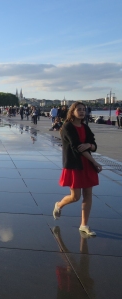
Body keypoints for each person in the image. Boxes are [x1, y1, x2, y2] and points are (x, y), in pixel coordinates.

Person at [53, 102, 102, 237]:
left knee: (88, 195)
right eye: (79, 109)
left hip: (87, 164)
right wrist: (95, 161)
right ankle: (59, 205)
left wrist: (89, 145)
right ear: (72, 111)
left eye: (83, 110)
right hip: (75, 164)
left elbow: (94, 145)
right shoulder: (68, 127)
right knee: (75, 197)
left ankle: (84, 225)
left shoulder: (85, 127)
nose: (82, 112)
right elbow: (77, 148)